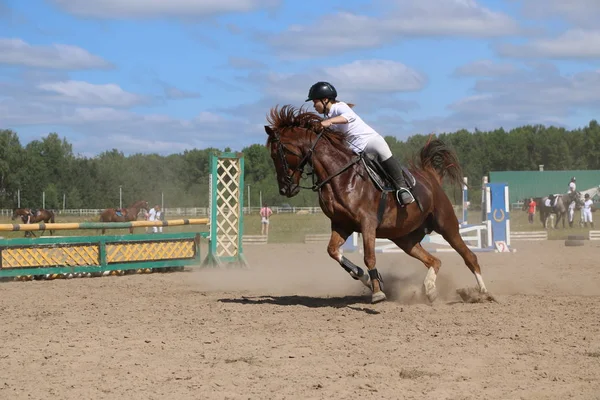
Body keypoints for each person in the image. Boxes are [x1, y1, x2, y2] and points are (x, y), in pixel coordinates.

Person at [305, 81, 414, 206]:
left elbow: (349, 117)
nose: (314, 106)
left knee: (382, 151)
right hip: (354, 150)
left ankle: (402, 188)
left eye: (315, 102)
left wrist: (328, 122)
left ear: (325, 100)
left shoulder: (339, 106)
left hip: (370, 141)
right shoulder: (329, 115)